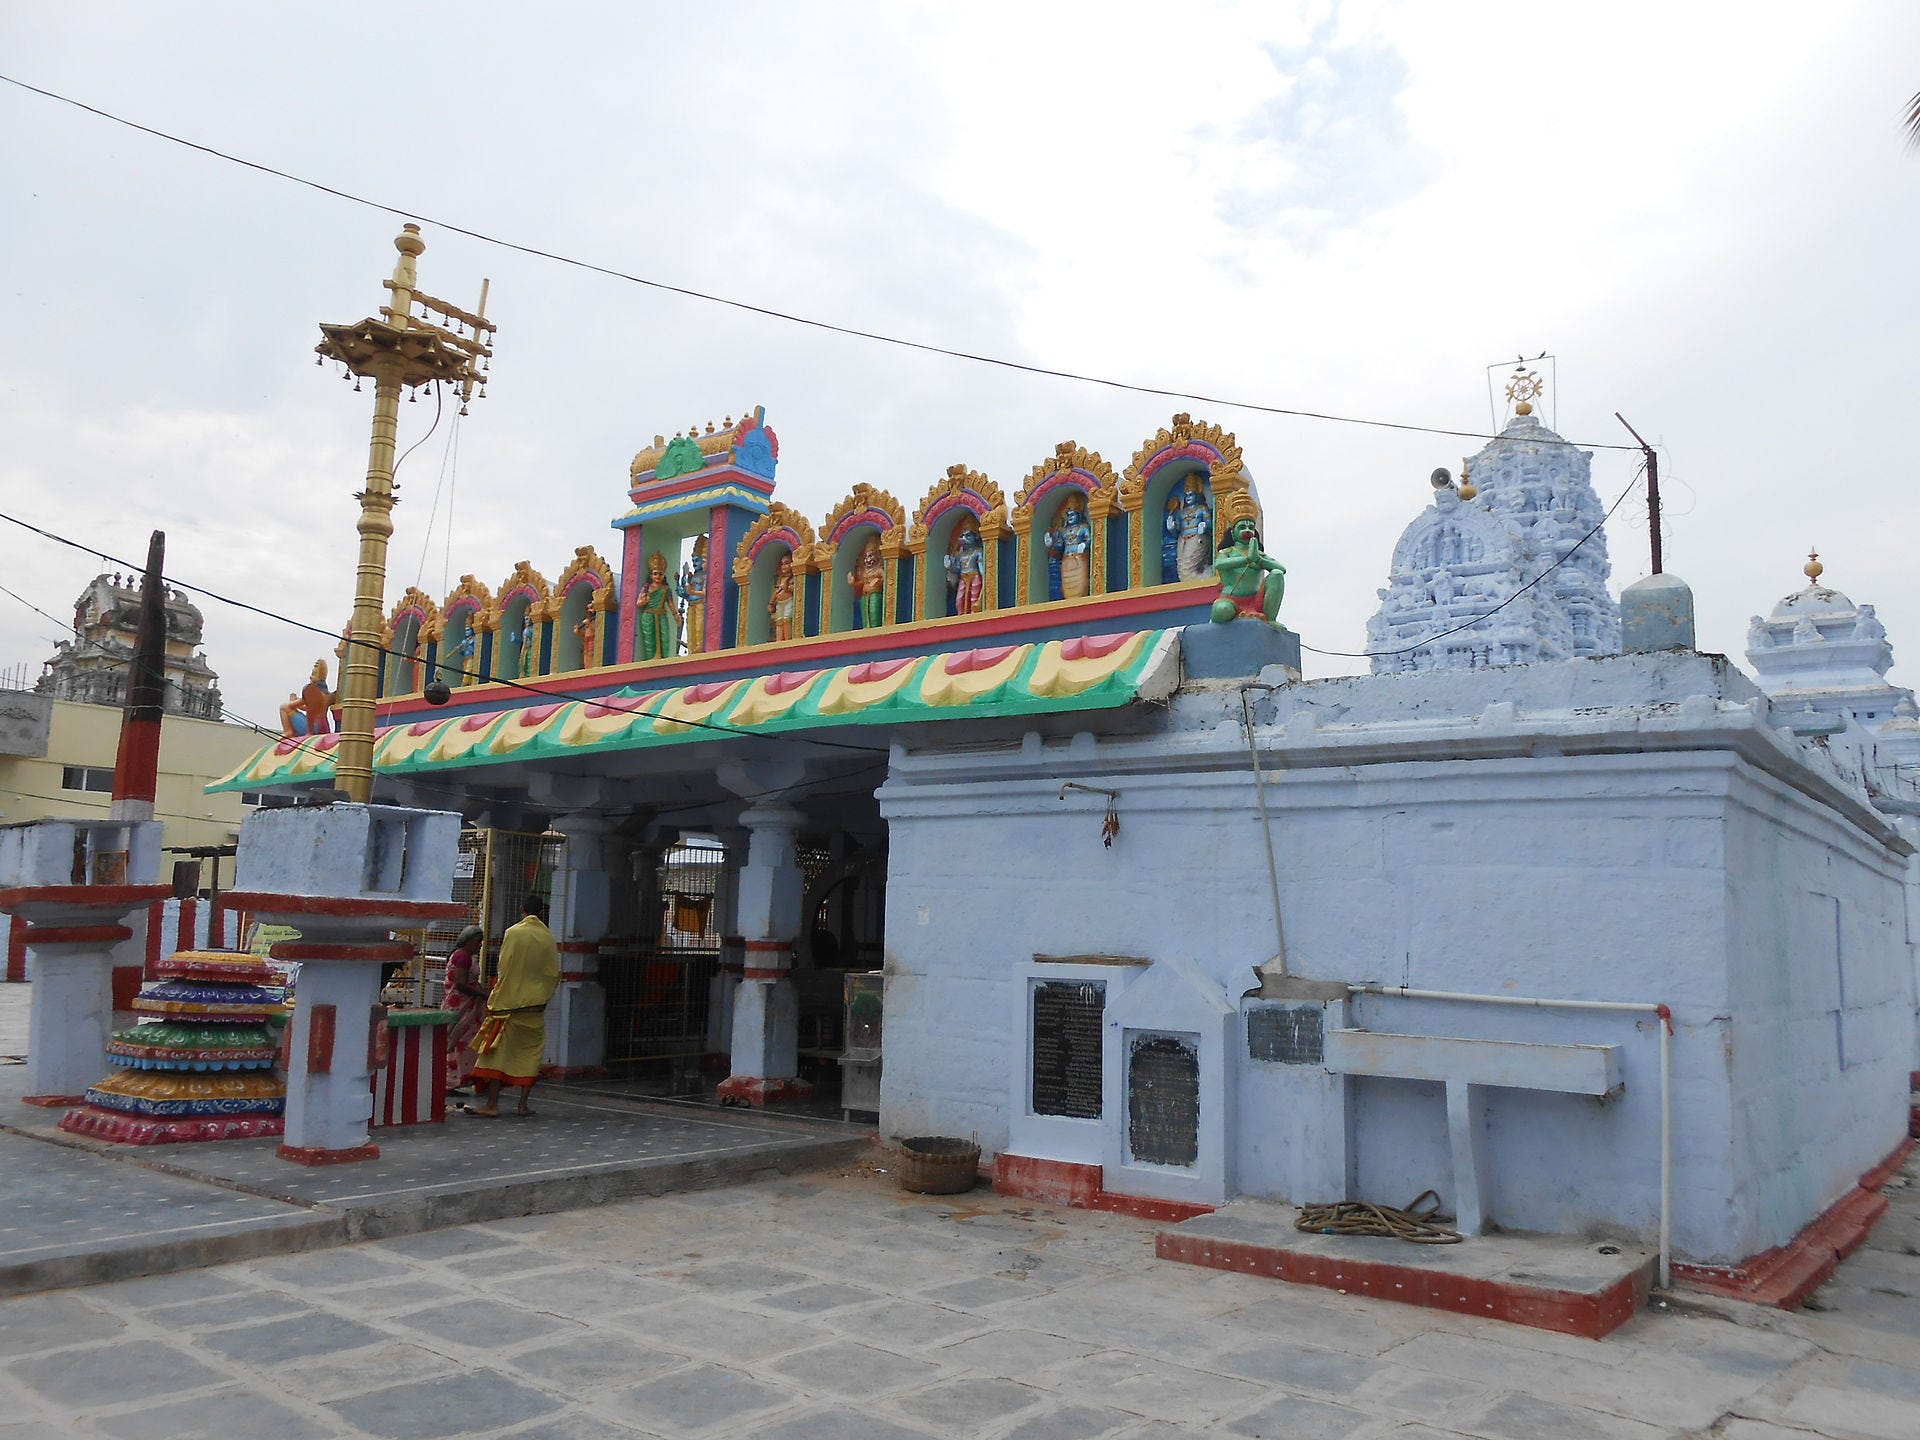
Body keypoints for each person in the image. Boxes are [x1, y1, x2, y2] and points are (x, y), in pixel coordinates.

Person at [463, 895, 560, 1118]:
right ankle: (522, 1106)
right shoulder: (548, 938)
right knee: (530, 1056)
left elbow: (504, 968)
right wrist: (543, 997)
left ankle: (492, 1105)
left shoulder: (513, 933)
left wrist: (497, 997)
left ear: (521, 909)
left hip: (509, 1007)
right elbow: (552, 974)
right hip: (534, 1006)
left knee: (498, 1055)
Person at [442, 924, 487, 1094]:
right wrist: (481, 994)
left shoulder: (461, 955)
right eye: (478, 942)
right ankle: (452, 1080)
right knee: (459, 1041)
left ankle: (457, 1078)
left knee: (459, 1039)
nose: (480, 945)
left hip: (461, 1004)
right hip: (462, 1005)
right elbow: (460, 984)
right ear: (468, 941)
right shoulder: (463, 958)